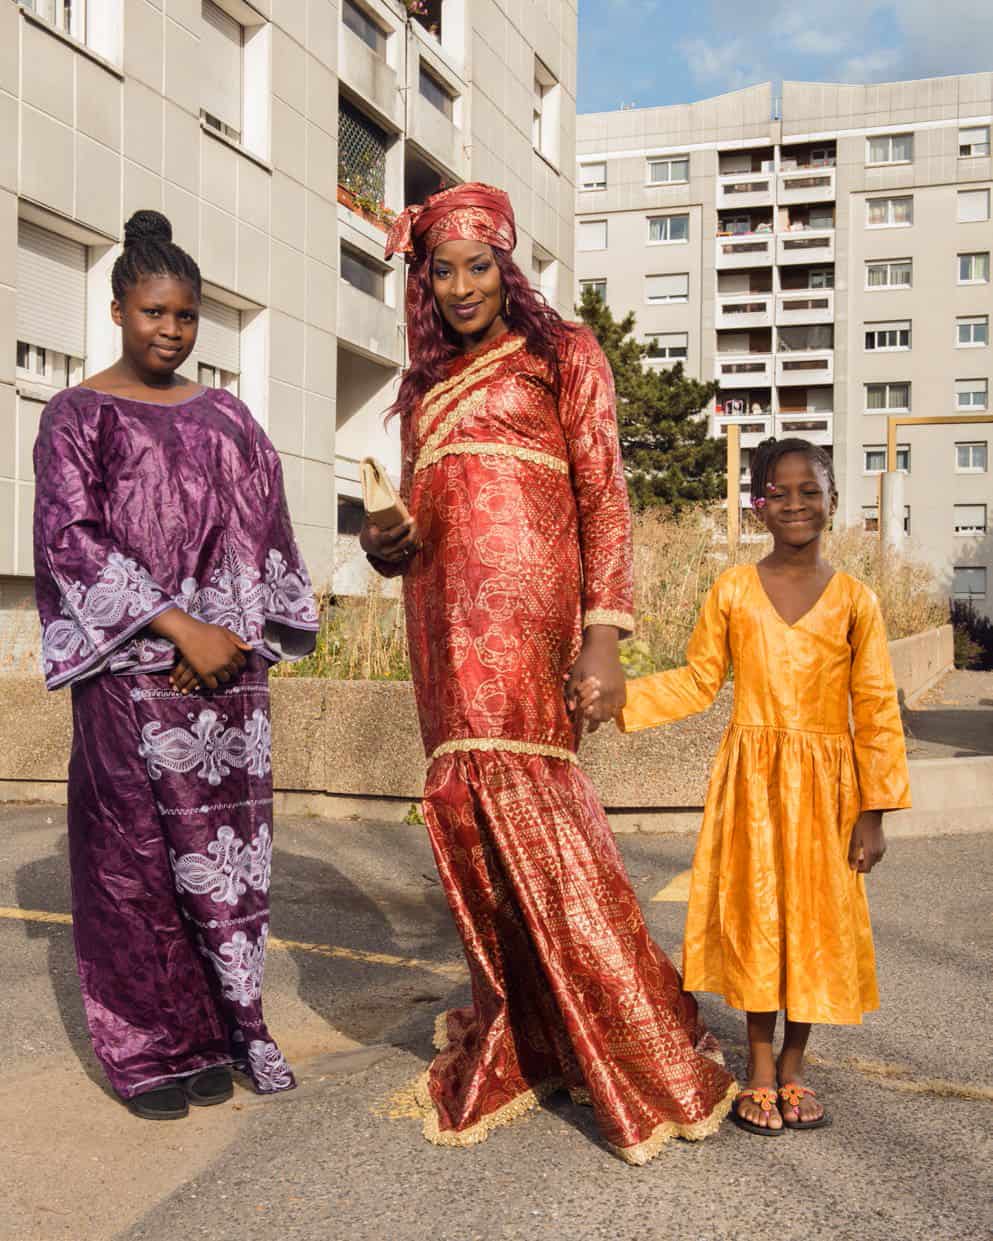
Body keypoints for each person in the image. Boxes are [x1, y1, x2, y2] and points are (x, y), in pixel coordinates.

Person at [361, 183, 736, 1165]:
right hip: (440, 618)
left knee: (528, 797)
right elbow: (413, 528)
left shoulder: (562, 352)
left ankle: (640, 1046)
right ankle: (529, 1025)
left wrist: (602, 636)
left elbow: (605, 495)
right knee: (463, 806)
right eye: (439, 270)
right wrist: (382, 537)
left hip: (530, 622)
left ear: (508, 263)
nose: (459, 287)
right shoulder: (420, 389)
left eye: (476, 265)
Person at [33, 210, 318, 1119]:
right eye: (154, 311)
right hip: (130, 679)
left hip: (226, 679)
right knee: (136, 865)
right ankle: (149, 1047)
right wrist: (175, 628)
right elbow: (68, 540)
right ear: (116, 309)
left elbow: (259, 530)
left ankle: (224, 1029)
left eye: (187, 316)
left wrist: (225, 636)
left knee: (225, 866)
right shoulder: (76, 415)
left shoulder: (229, 416)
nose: (171, 329)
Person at [580, 437, 911, 1135]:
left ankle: (796, 1067)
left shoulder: (857, 600)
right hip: (752, 787)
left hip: (829, 790)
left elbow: (876, 709)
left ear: (831, 499)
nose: (794, 503)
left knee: (816, 925)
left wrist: (873, 812)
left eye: (809, 490)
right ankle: (758, 1070)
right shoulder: (732, 588)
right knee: (760, 920)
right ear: (757, 505)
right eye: (778, 492)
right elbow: (700, 680)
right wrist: (616, 700)